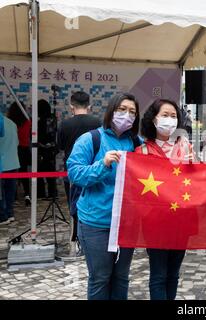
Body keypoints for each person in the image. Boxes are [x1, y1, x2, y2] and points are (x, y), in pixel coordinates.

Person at [67, 93, 141, 300]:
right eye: (122, 110)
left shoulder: (136, 143)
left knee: (121, 277)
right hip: (95, 223)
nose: (127, 115)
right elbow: (74, 173)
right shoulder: (91, 139)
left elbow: (159, 166)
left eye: (132, 112)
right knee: (100, 277)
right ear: (112, 110)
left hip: (126, 223)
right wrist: (103, 164)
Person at [135, 98, 194, 300]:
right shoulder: (141, 151)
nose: (170, 120)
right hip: (156, 224)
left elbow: (197, 180)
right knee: (158, 275)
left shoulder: (186, 148)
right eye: (165, 115)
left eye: (174, 116)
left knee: (173, 274)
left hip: (182, 221)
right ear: (153, 119)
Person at [57, 91, 101, 245]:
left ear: (71, 106)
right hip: (94, 170)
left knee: (74, 203)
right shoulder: (97, 123)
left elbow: (60, 146)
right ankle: (89, 232)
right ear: (89, 106)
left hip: (74, 171)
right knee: (93, 200)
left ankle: (76, 234)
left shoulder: (65, 124)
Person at [7, 102, 32, 206]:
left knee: (13, 172)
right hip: (24, 149)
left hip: (13, 148)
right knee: (24, 172)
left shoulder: (10, 122)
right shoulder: (27, 121)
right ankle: (27, 194)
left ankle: (14, 195)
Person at [0, 112, 20, 225]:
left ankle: (2, 216)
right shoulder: (11, 123)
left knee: (1, 192)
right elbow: (16, 142)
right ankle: (10, 213)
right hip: (13, 162)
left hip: (2, 164)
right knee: (10, 191)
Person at [37, 99, 58, 199]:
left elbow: (41, 136)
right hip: (52, 149)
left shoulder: (40, 122)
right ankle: (52, 193)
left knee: (40, 172)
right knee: (51, 172)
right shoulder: (53, 119)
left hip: (43, 149)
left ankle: (41, 193)